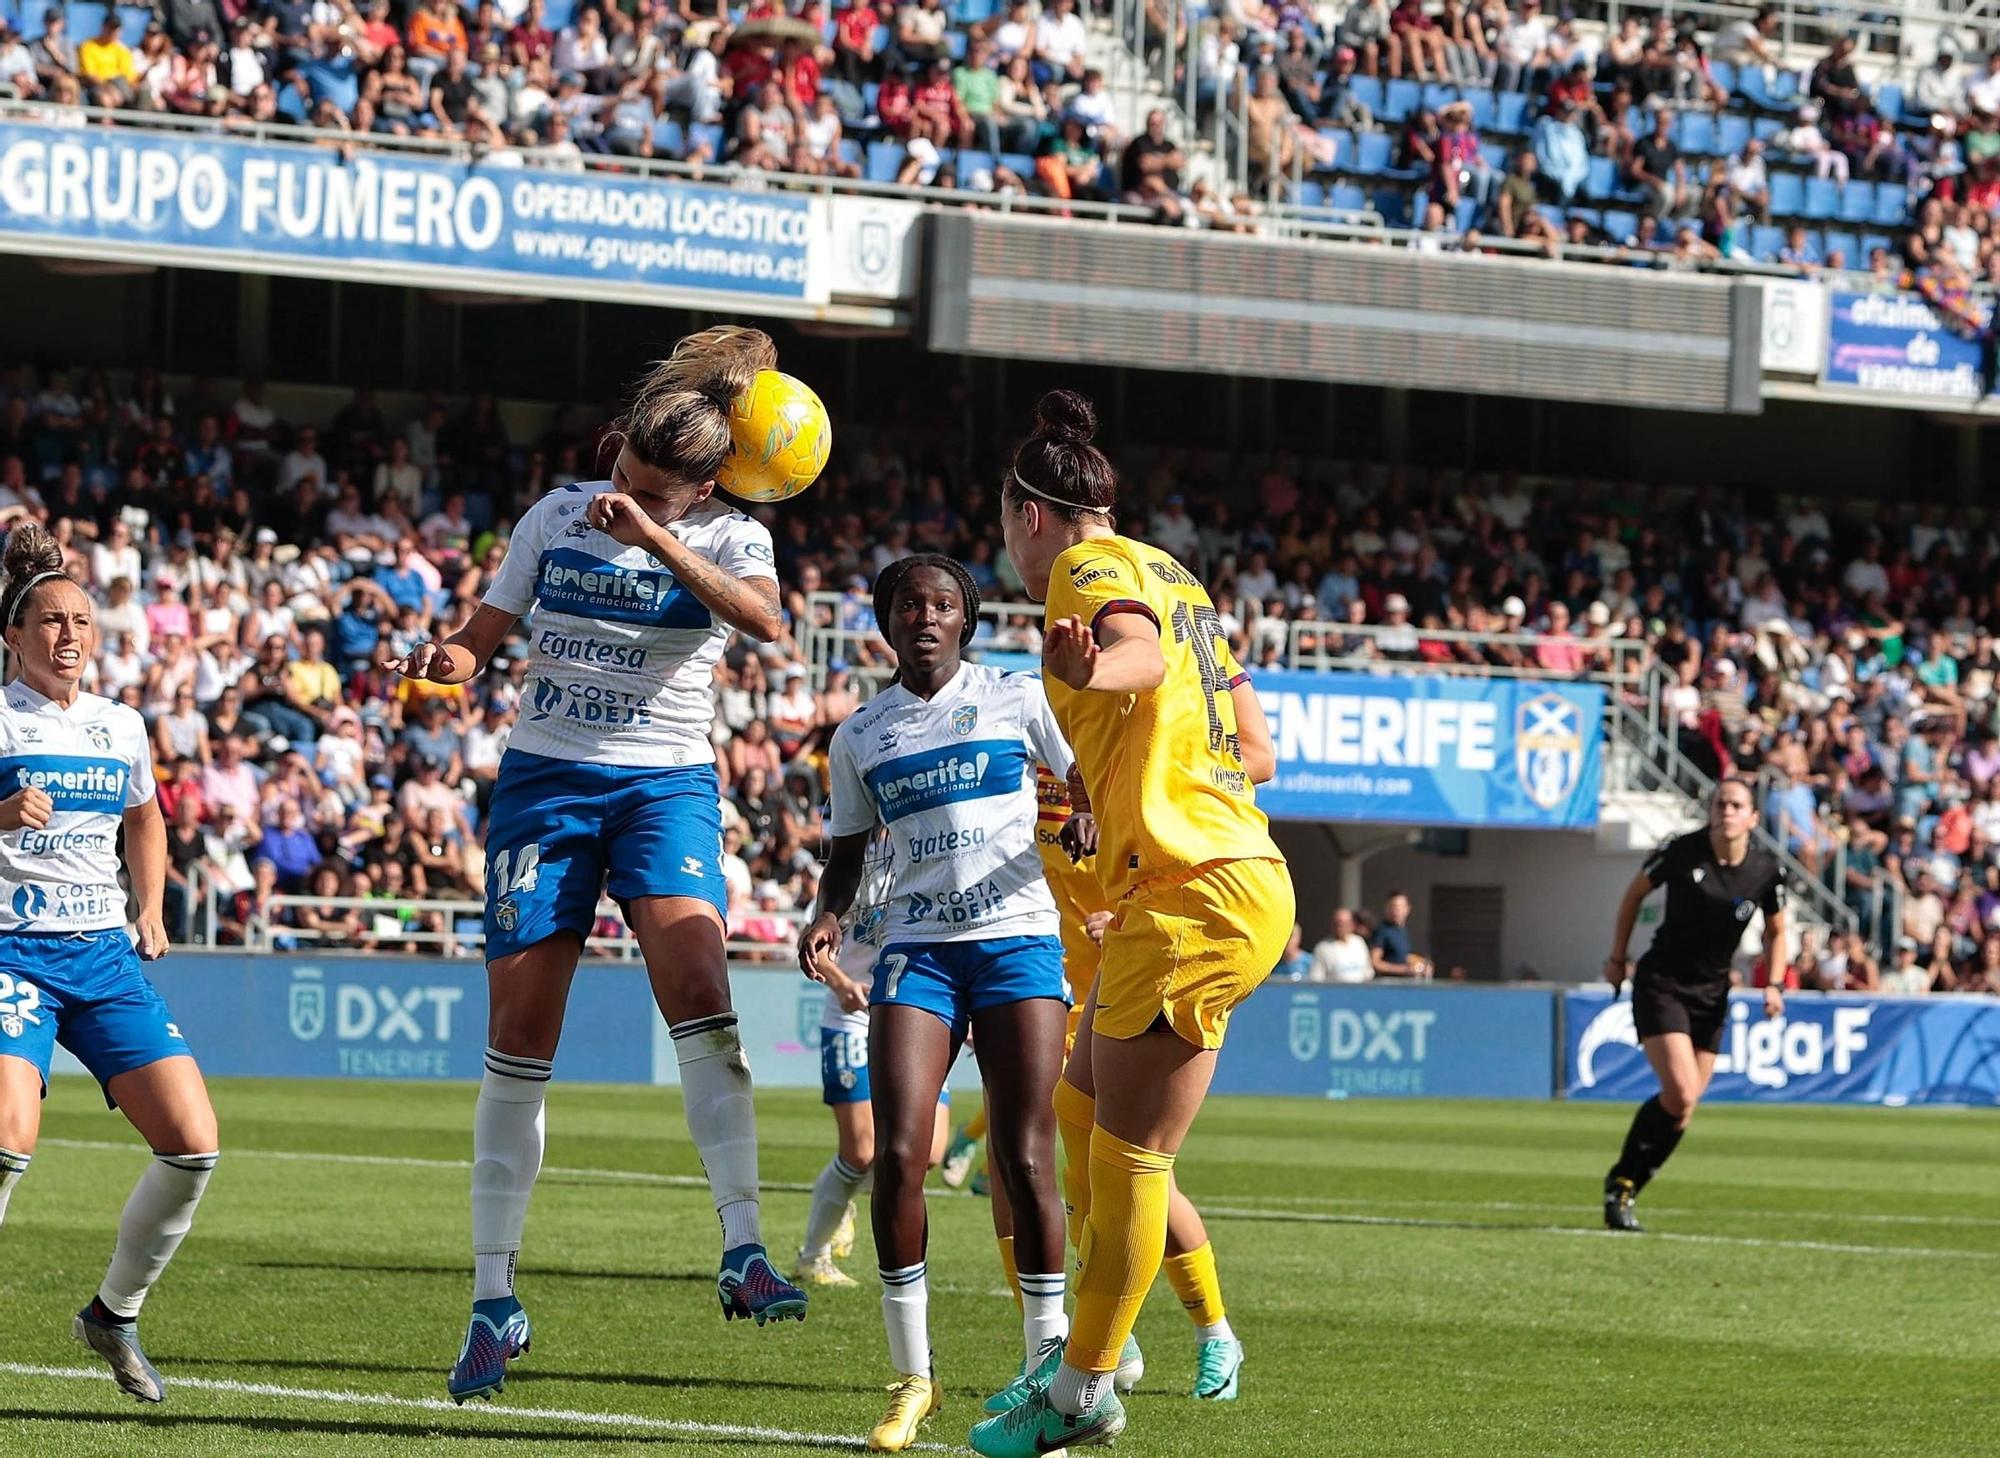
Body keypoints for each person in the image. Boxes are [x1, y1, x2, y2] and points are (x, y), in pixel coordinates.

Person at [384, 327, 808, 1404]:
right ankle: (491, 1298)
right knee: (518, 1041)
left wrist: (661, 538)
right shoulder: (553, 513)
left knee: (703, 1000)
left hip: (664, 785)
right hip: (546, 782)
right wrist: (449, 661)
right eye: (620, 472)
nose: (623, 495)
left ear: (703, 487)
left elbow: (765, 624)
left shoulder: (735, 539)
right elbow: (486, 632)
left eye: (653, 492)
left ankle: (743, 1249)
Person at [972, 390, 1294, 1456]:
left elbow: (1139, 660)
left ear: (1030, 513)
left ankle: (1078, 1391)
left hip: (1188, 890)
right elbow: (1256, 750)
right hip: (1210, 874)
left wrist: (1087, 670)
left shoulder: (1086, 569)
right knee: (1072, 1113)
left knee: (1130, 1165)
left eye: (1005, 524)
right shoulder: (1183, 574)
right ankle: (1104, 1351)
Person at [800, 554, 1077, 1454]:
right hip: (916, 952)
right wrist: (826, 915)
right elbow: (846, 851)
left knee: (1024, 1155)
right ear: (885, 622)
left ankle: (1048, 1375)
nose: (925, 616)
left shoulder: (1016, 696)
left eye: (943, 604)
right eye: (909, 604)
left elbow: (1085, 781)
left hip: (1017, 941)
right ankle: (914, 1378)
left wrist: (1083, 812)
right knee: (901, 1156)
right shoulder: (860, 734)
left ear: (967, 620)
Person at [0, 523, 220, 1405]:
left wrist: (152, 904)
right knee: (7, 1143)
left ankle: (113, 1315)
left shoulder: (119, 724)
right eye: (51, 621)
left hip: (102, 958)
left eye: (82, 622)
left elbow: (147, 817)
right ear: (13, 636)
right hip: (10, 952)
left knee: (194, 1147)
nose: (69, 637)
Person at [1601, 779, 1787, 1233]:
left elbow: (1777, 929)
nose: (1726, 810)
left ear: (1752, 818)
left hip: (1712, 992)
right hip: (1662, 982)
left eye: (1736, 804)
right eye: (1720, 803)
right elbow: (1633, 895)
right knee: (1681, 1091)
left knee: (1684, 1108)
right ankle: (1620, 1180)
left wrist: (1775, 982)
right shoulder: (1684, 851)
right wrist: (1617, 956)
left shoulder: (1765, 870)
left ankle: (1628, 1186)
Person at [790, 823, 955, 1290]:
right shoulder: (855, 868)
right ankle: (813, 1255)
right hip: (853, 1017)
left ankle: (843, 1199)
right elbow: (813, 945)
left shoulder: (931, 863)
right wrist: (843, 986)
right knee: (861, 1150)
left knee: (929, 1154)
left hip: (914, 1010)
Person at [1309, 907, 1374, 982]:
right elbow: (1316, 978)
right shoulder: (1322, 948)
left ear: (1352, 924)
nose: (1341, 927)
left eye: (1345, 923)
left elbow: (1368, 972)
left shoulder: (1359, 942)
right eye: (1338, 923)